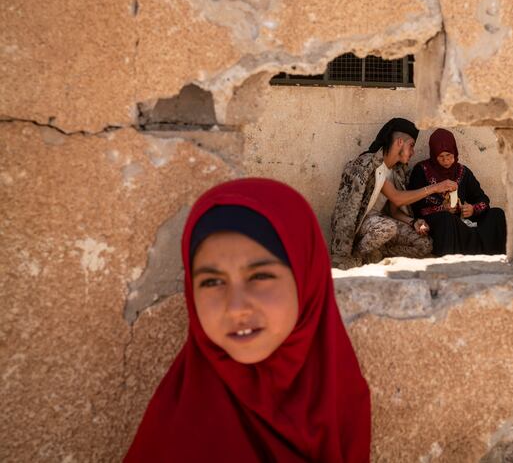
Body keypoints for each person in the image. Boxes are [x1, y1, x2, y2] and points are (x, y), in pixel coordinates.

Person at [125, 178, 371, 462]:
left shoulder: (340, 396)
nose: (236, 308)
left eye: (260, 276)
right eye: (212, 281)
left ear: (307, 279)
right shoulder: (176, 425)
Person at [330, 118, 457, 269]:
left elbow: (394, 211)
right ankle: (356, 257)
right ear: (399, 143)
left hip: (383, 223)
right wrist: (435, 187)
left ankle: (379, 252)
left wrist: (413, 222)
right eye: (411, 146)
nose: (413, 152)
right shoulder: (368, 164)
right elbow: (397, 198)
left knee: (425, 244)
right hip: (361, 225)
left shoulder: (396, 172)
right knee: (387, 227)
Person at [409, 128, 506, 256]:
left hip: (461, 223)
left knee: (497, 214)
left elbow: (483, 200)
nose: (446, 161)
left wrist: (472, 208)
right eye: (441, 157)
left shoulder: (462, 172)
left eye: (449, 155)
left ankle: (496, 257)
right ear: (433, 155)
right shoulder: (421, 171)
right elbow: (415, 207)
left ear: (455, 152)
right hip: (440, 224)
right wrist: (441, 208)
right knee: (447, 219)